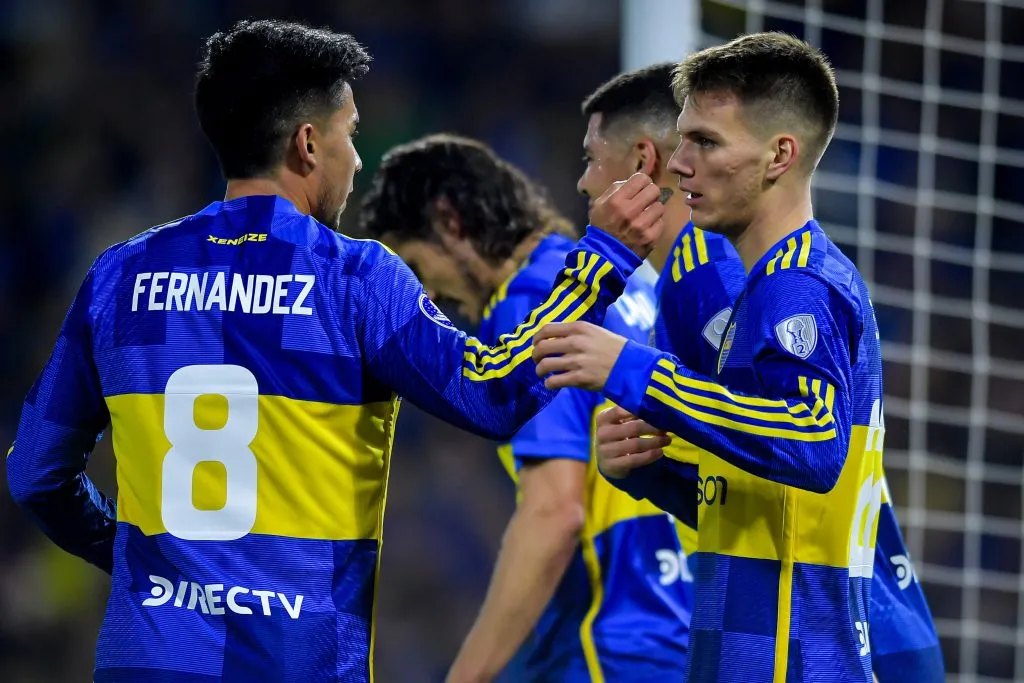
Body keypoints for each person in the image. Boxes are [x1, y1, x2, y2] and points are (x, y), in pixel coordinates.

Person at [5, 19, 666, 683]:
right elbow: (495, 391)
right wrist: (602, 258)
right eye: (351, 133)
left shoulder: (119, 277)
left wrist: (130, 555)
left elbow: (34, 473)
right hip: (298, 663)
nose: (357, 160)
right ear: (307, 143)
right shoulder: (351, 279)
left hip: (148, 661)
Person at [532, 32, 910, 681]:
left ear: (778, 156)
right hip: (742, 651)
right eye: (683, 141)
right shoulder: (761, 285)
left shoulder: (800, 286)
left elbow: (813, 442)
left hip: (798, 661)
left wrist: (634, 368)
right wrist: (652, 474)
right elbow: (768, 503)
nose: (680, 166)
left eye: (706, 142)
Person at [356, 133, 689, 683]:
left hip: (613, 640)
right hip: (684, 624)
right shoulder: (623, 285)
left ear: (450, 222)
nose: (430, 297)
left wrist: (464, 677)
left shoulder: (528, 302)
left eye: (418, 267)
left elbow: (554, 512)